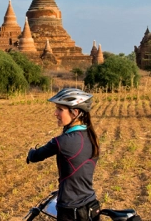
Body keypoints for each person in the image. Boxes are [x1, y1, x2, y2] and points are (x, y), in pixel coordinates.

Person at [26, 88, 101, 221]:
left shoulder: (63, 141)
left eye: (60, 109)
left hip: (70, 210)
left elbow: (36, 156)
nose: (55, 113)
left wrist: (30, 152)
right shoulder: (91, 136)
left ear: (75, 113)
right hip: (90, 204)